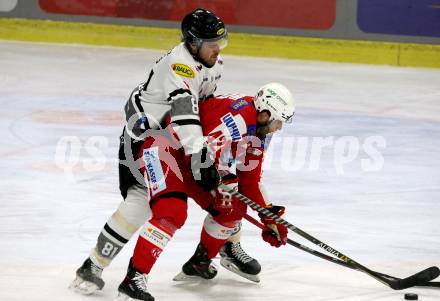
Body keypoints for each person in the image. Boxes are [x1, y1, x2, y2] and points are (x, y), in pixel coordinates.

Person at [70, 7, 261, 297]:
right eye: (211, 44)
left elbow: (203, 112)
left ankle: (226, 244)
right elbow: (185, 113)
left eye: (220, 43)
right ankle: (93, 264)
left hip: (177, 141)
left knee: (225, 192)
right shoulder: (180, 66)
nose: (217, 50)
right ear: (193, 43)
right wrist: (200, 155)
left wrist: (210, 154)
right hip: (143, 141)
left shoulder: (214, 64)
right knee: (141, 204)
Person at [113, 82, 295, 300]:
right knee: (172, 211)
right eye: (278, 121)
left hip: (193, 160)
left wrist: (269, 216)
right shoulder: (237, 120)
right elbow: (197, 153)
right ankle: (133, 278)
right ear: (265, 114)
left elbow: (250, 181)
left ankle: (200, 262)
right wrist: (208, 173)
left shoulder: (257, 131)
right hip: (163, 150)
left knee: (233, 208)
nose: (279, 127)